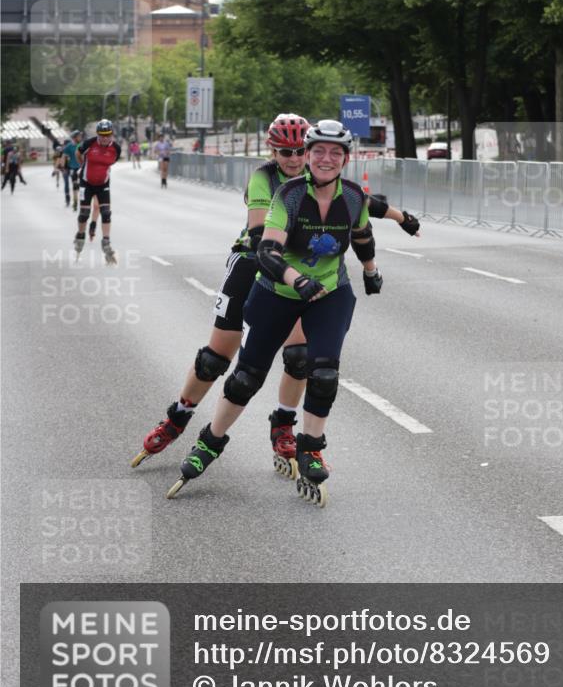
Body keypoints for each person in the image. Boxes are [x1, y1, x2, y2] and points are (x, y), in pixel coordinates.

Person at [132, 113, 420, 477]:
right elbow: (258, 235)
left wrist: (401, 217)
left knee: (300, 356)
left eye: (300, 150)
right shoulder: (267, 180)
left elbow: (363, 203)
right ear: (273, 151)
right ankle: (177, 418)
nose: (294, 158)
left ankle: (284, 425)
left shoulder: (322, 176)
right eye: (285, 152)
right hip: (255, 263)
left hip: (296, 275)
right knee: (215, 360)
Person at [74, 119, 122, 264]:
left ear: (112, 134)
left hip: (103, 184)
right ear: (97, 134)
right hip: (86, 183)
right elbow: (78, 152)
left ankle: (106, 241)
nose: (104, 138)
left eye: (107, 135)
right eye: (102, 135)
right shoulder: (90, 143)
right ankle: (81, 234)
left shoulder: (116, 148)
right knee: (84, 214)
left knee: (106, 212)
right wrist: (82, 165)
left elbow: (112, 162)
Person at [58, 130, 82, 209]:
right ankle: (75, 201)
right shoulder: (69, 146)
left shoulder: (82, 145)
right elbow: (63, 156)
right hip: (73, 168)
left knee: (82, 185)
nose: (80, 137)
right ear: (74, 138)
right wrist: (63, 167)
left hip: (81, 167)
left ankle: (82, 200)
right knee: (74, 184)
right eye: (79, 136)